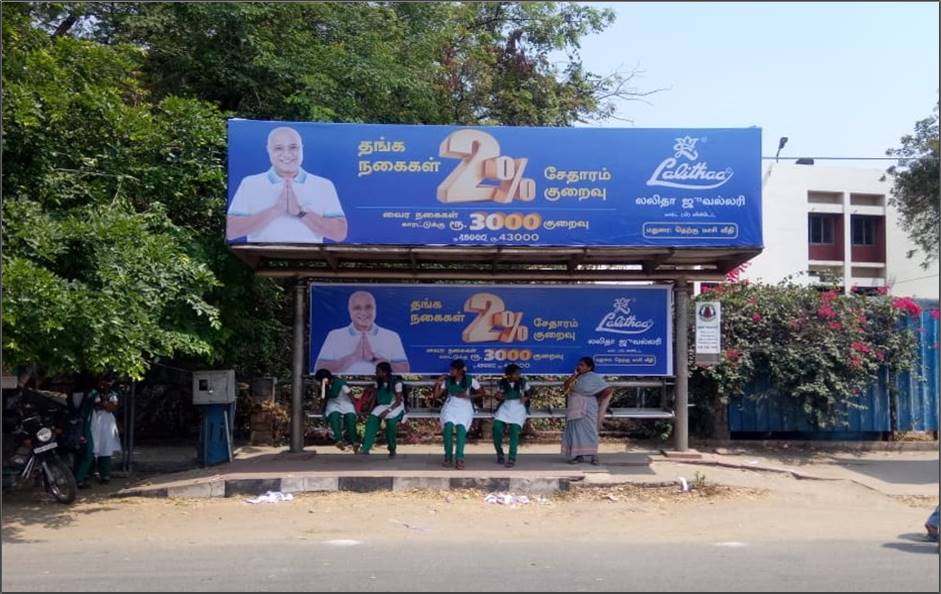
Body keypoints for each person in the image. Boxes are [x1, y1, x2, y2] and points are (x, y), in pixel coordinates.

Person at [226, 126, 348, 243]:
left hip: (310, 257)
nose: (287, 154)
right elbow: (231, 231)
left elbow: (340, 233)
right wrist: (275, 210)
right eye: (278, 148)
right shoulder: (250, 184)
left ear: (302, 148)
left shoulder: (324, 185)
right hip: (263, 256)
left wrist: (301, 213)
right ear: (268, 150)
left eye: (293, 147)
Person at [314, 291, 409, 375]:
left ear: (375, 309)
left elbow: (405, 372)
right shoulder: (334, 336)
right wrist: (353, 357)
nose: (363, 313)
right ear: (349, 310)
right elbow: (319, 370)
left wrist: (375, 358)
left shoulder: (392, 336)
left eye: (368, 307)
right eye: (357, 308)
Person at [561, 357, 614, 466]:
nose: (579, 367)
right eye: (579, 364)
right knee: (576, 432)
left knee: (590, 431)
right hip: (575, 407)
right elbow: (565, 387)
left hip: (588, 408)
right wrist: (574, 375)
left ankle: (594, 456)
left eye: (582, 365)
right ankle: (578, 456)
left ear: (589, 367)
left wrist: (597, 398)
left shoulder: (593, 377)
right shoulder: (577, 377)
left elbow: (608, 390)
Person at [433, 359, 481, 470]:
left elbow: (481, 393)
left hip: (464, 407)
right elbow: (436, 396)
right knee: (448, 428)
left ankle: (459, 458)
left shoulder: (470, 380)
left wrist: (468, 396)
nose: (450, 371)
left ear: (460, 370)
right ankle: (448, 457)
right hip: (450, 407)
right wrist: (438, 383)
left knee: (461, 430)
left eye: (453, 369)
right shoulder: (448, 381)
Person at [357, 362, 406, 458]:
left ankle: (392, 449)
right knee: (371, 420)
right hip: (382, 405)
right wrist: (370, 410)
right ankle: (366, 448)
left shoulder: (396, 382)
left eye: (377, 371)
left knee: (391, 425)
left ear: (384, 372)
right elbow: (375, 397)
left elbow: (398, 401)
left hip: (395, 406)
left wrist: (387, 411)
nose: (375, 373)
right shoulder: (378, 382)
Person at [492, 364, 529, 468]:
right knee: (496, 427)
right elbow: (498, 395)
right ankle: (499, 453)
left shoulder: (523, 382)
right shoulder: (502, 382)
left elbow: (530, 392)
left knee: (514, 430)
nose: (518, 375)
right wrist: (498, 396)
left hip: (518, 408)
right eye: (516, 373)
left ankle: (512, 457)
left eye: (519, 373)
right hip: (505, 407)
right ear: (509, 374)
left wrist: (526, 397)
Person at [314, 369, 357, 450]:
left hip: (346, 403)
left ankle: (354, 441)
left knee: (350, 417)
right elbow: (324, 398)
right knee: (334, 416)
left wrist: (357, 409)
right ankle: (339, 440)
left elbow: (351, 396)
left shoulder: (340, 384)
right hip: (333, 404)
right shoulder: (324, 386)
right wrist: (320, 408)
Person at [89, 376, 122, 484]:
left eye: (108, 381)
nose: (105, 384)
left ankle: (105, 475)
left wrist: (103, 405)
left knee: (106, 447)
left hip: (107, 423)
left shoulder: (112, 393)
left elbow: (112, 407)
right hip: (94, 420)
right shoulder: (93, 392)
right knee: (93, 446)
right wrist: (104, 405)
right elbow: (96, 405)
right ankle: (89, 473)